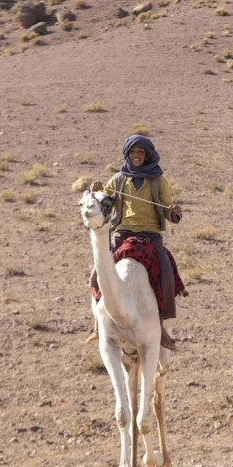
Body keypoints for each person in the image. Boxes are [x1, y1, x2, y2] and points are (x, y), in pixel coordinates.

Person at [88, 135, 183, 350]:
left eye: (141, 153)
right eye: (133, 152)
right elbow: (104, 202)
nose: (137, 156)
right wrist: (97, 192)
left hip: (151, 236)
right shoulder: (119, 179)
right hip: (122, 234)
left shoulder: (159, 181)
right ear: (127, 154)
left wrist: (175, 213)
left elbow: (169, 210)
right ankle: (97, 324)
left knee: (166, 275)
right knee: (96, 275)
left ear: (147, 155)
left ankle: (162, 328)